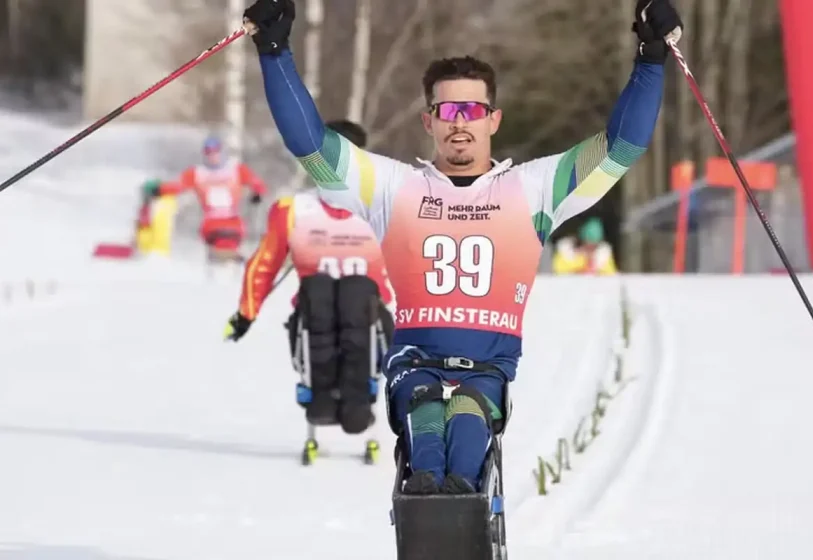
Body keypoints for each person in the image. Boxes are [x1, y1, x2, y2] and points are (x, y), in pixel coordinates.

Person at [243, 0, 681, 494]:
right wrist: (275, 52)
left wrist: (649, 58)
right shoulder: (392, 187)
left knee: (467, 446)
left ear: (492, 120)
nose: (459, 122)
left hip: (487, 370)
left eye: (471, 110)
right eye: (446, 110)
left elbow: (622, 147)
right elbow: (312, 145)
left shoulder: (534, 188)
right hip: (415, 366)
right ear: (429, 121)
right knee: (426, 455)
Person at [223, 119, 396, 434]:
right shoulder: (293, 210)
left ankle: (357, 395)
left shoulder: (386, 206)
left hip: (370, 316)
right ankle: (323, 393)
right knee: (319, 289)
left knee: (356, 291)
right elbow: (264, 263)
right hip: (315, 314)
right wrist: (246, 314)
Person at [150, 135, 268, 262]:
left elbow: (256, 182)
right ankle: (221, 261)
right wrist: (159, 190)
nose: (213, 157)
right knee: (219, 245)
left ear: (222, 152)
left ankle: (231, 262)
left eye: (216, 152)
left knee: (231, 240)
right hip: (211, 222)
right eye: (209, 153)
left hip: (233, 220)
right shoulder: (198, 173)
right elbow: (179, 186)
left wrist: (257, 194)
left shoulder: (235, 170)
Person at [552, 217, 618, 275]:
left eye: (594, 246)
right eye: (588, 245)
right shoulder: (565, 253)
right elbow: (557, 273)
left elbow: (611, 277)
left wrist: (594, 268)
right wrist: (579, 271)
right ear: (581, 241)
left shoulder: (603, 256)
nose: (590, 248)